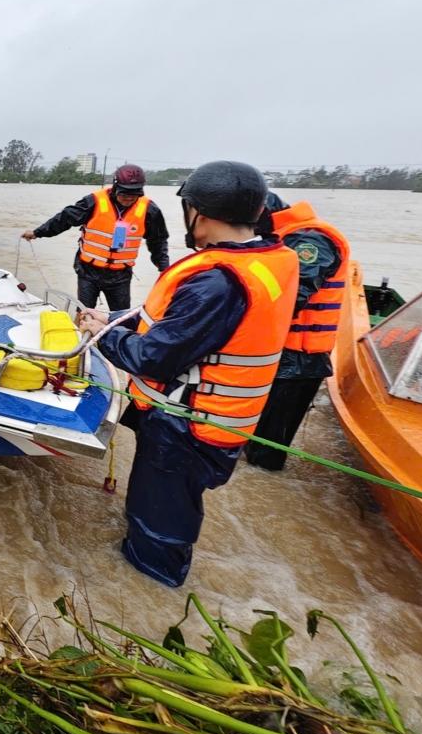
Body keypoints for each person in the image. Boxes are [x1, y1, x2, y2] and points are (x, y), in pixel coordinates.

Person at [78, 161, 299, 586]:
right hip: (217, 421)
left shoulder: (216, 282)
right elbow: (171, 322)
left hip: (184, 429)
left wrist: (100, 335)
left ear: (200, 212)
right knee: (170, 507)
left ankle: (150, 588)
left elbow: (152, 358)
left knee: (158, 526)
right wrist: (113, 318)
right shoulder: (267, 261)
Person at [244, 193, 350, 471]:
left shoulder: (311, 240)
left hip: (299, 361)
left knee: (267, 448)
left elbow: (292, 295)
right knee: (251, 435)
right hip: (279, 353)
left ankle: (264, 494)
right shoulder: (282, 238)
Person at [22, 164, 169, 310]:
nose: (129, 198)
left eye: (134, 194)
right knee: (85, 312)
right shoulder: (94, 201)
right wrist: (38, 232)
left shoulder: (149, 210)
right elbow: (65, 218)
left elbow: (158, 240)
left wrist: (163, 267)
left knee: (121, 317)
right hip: (88, 271)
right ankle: (80, 331)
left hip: (120, 275)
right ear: (115, 187)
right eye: (124, 193)